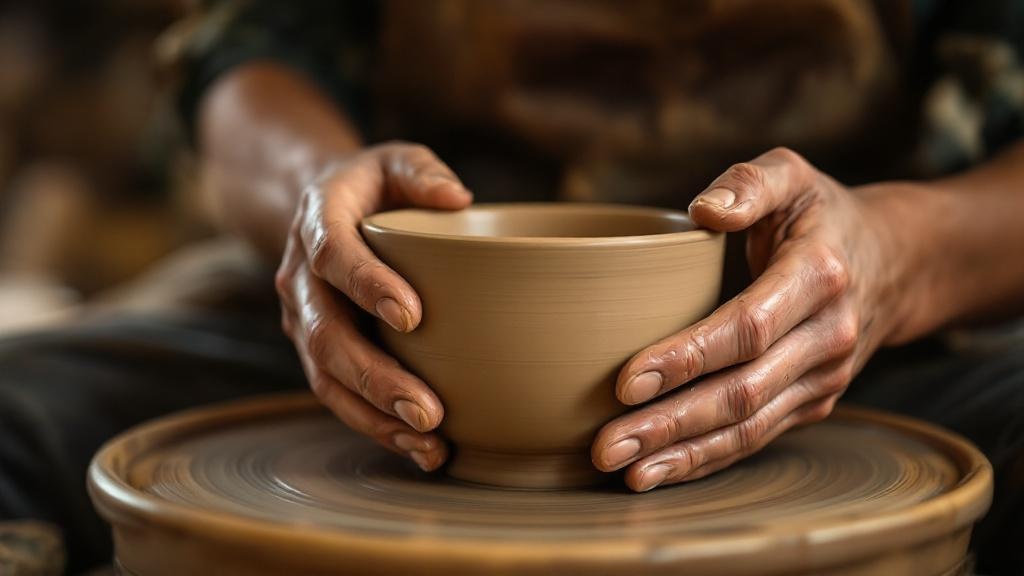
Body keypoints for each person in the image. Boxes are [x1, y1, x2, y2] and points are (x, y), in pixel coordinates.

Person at [2, 1, 1023, 573]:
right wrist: (314, 199)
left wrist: (898, 257)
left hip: (834, 330)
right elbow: (250, 49)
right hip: (386, 330)